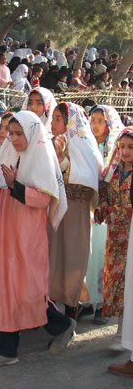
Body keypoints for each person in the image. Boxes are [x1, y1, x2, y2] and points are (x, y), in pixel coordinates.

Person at [0, 111, 75, 368]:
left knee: (29, 292)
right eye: (12, 133)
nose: (15, 138)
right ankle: (6, 351)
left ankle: (62, 325)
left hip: (29, 238)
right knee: (8, 290)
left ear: (31, 133)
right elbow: (0, 199)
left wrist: (15, 186)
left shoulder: (39, 159)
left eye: (19, 134)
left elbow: (44, 199)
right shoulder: (8, 157)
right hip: (9, 234)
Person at [49, 103, 103, 317]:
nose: (53, 123)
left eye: (58, 119)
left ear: (70, 122)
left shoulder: (82, 144)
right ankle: (55, 312)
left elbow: (86, 178)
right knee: (55, 256)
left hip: (75, 211)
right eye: (52, 118)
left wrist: (62, 159)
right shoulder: (52, 141)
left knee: (72, 257)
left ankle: (71, 311)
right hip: (56, 210)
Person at [86, 105, 124, 324]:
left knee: (102, 254)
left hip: (107, 210)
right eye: (93, 120)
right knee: (89, 255)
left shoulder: (116, 150)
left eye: (100, 120)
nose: (95, 125)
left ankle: (102, 302)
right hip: (89, 207)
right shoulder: (88, 145)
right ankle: (88, 299)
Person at [96, 128, 133, 352]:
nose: (126, 151)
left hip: (131, 239)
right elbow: (103, 193)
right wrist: (102, 208)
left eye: (131, 147)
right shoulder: (113, 173)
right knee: (118, 284)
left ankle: (123, 335)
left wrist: (113, 210)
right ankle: (120, 332)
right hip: (115, 240)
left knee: (129, 285)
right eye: (122, 147)